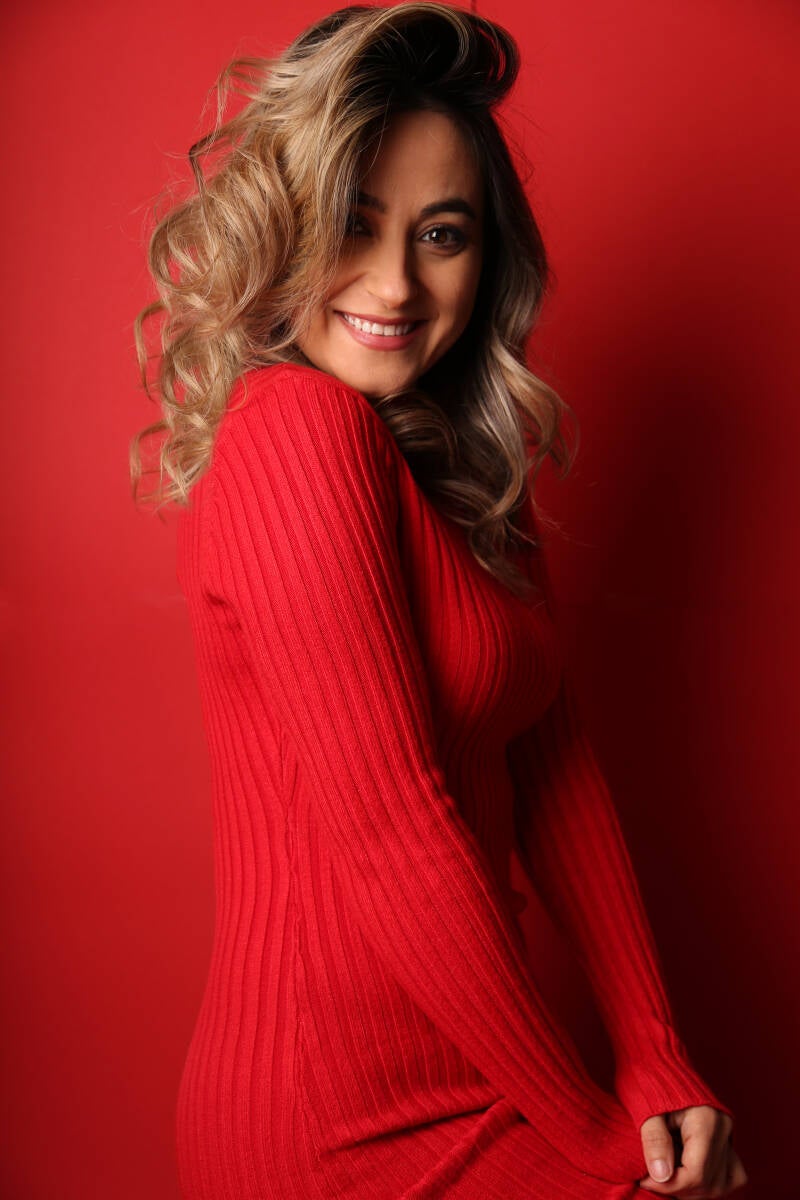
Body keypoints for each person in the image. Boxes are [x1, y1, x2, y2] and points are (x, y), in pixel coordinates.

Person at [131, 4, 747, 1198]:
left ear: (486, 254)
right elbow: (391, 832)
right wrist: (594, 1139)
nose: (394, 283)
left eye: (440, 234)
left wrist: (653, 1058)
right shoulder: (296, 428)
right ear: (283, 226)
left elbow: (553, 769)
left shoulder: (465, 463)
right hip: (334, 1122)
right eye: (352, 224)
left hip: (483, 1072)